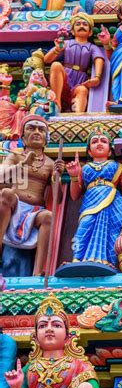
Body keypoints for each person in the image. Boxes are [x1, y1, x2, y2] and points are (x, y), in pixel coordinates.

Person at [0, 116, 64, 275]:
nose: (36, 132)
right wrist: (23, 164)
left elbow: (59, 199)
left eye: (41, 130)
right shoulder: (15, 155)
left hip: (35, 210)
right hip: (14, 205)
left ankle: (38, 272)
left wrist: (57, 177)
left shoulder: (50, 163)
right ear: (23, 137)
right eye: (31, 128)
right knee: (6, 193)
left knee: (49, 216)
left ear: (46, 139)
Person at [65, 126, 122, 272]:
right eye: (94, 141)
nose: (99, 143)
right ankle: (77, 259)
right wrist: (73, 175)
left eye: (103, 141)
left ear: (110, 150)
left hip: (113, 200)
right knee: (85, 225)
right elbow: (74, 195)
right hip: (91, 200)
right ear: (89, 151)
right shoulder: (84, 168)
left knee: (112, 231)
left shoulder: (117, 167)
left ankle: (108, 260)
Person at [43, 12, 104, 114]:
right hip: (64, 80)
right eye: (78, 24)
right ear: (72, 31)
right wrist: (57, 50)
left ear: (90, 32)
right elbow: (46, 60)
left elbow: (99, 59)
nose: (81, 26)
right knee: (56, 65)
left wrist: (97, 77)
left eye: (85, 24)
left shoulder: (92, 47)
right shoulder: (66, 44)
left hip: (79, 82)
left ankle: (78, 115)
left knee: (82, 90)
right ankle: (56, 103)